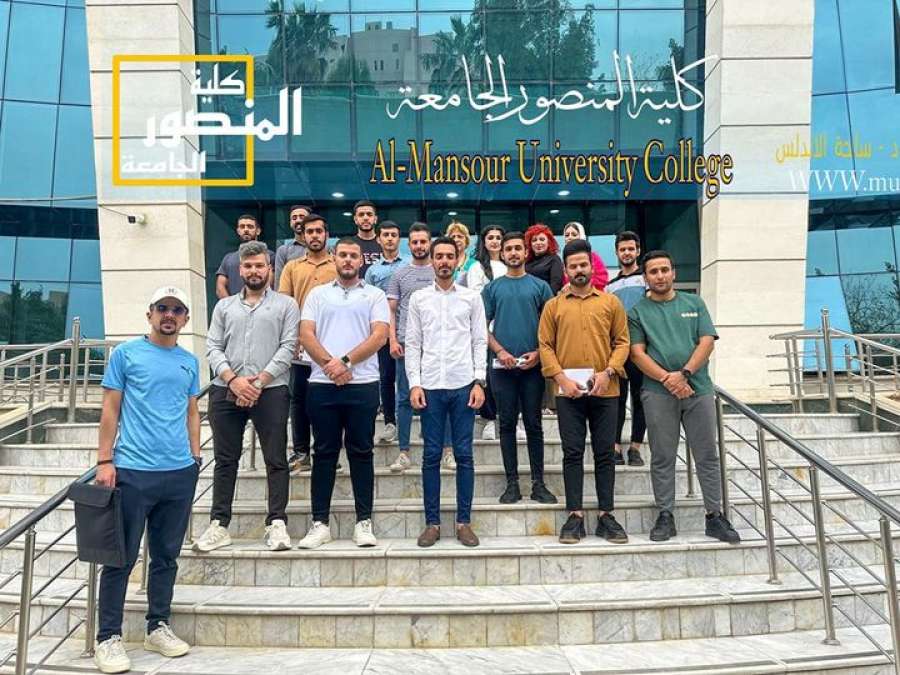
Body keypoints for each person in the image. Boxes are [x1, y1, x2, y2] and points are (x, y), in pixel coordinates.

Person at [92, 286, 201, 674]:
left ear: (185, 319)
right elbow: (110, 408)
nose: (169, 315)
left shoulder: (189, 362)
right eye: (162, 308)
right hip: (133, 470)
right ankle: (108, 637)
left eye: (177, 310)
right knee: (120, 558)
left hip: (179, 472)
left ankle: (157, 626)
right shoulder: (126, 354)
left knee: (166, 556)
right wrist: (105, 460)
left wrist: (195, 457)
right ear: (150, 314)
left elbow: (191, 411)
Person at [627, 250, 740, 544]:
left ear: (673, 273)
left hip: (698, 390)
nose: (660, 276)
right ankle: (665, 515)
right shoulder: (637, 312)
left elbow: (707, 342)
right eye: (653, 272)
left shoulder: (694, 303)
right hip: (657, 393)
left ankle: (714, 515)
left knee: (707, 455)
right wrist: (669, 379)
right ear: (645, 277)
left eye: (664, 270)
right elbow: (637, 353)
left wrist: (685, 373)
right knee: (662, 456)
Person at [195, 241, 299, 553]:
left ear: (269, 269)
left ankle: (276, 522)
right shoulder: (224, 307)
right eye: (248, 266)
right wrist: (234, 380)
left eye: (259, 266)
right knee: (225, 459)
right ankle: (219, 524)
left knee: (276, 459)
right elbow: (213, 346)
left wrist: (258, 382)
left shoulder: (286, 305)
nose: (254, 271)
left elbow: (289, 347)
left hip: (272, 390)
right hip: (226, 387)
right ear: (240, 270)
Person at [296, 238, 389, 549]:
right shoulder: (317, 294)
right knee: (323, 453)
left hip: (363, 384)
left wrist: (345, 362)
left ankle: (364, 522)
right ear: (334, 258)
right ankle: (319, 524)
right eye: (343, 255)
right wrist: (330, 365)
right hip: (322, 385)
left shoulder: (374, 295)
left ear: (361, 261)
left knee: (361, 452)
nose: (348, 260)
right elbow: (305, 333)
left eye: (353, 255)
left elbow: (380, 335)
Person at [538, 239, 630, 545]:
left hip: (606, 389)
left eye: (583, 265)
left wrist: (609, 371)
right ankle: (575, 515)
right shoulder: (553, 307)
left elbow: (623, 342)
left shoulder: (610, 303)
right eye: (573, 266)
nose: (579, 270)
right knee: (572, 452)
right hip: (569, 393)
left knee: (605, 453)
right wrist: (561, 379)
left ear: (592, 267)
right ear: (565, 270)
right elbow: (545, 346)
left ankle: (606, 515)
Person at [406, 236, 487, 548]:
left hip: (463, 384)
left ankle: (464, 522)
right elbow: (413, 343)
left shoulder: (471, 298)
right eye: (438, 256)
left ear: (457, 260)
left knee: (464, 455)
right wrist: (414, 383)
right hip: (430, 387)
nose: (443, 261)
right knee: (431, 455)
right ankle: (433, 523)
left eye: (449, 256)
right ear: (432, 260)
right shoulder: (419, 299)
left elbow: (479, 340)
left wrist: (479, 381)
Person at [483, 232, 557, 505]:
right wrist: (500, 351)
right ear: (502, 254)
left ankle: (539, 483)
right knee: (506, 424)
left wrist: (539, 353)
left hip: (533, 368)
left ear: (526, 253)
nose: (513, 253)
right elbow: (480, 327)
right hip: (501, 368)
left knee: (534, 424)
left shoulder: (540, 287)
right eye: (509, 249)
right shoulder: (492, 289)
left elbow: (553, 327)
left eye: (518, 248)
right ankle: (511, 483)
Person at [386, 224, 456, 472]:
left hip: (438, 346)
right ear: (409, 245)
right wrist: (393, 340)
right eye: (414, 242)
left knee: (443, 397)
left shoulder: (441, 271)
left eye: (423, 241)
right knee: (405, 398)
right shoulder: (399, 274)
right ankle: (404, 452)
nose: (419, 246)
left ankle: (448, 451)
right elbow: (391, 311)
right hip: (407, 345)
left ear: (430, 243)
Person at [278, 214, 338, 472]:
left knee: (328, 400)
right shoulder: (292, 267)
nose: (314, 235)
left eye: (318, 231)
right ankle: (301, 452)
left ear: (326, 235)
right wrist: (291, 339)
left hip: (332, 346)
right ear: (303, 236)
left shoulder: (337, 265)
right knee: (299, 399)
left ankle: (328, 452)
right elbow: (285, 305)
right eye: (309, 231)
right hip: (300, 344)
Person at [606, 230, 648, 467]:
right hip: (618, 351)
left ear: (638, 251)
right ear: (617, 253)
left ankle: (635, 448)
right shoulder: (610, 286)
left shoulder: (646, 279)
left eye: (631, 248)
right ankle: (615, 447)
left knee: (640, 400)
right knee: (617, 400)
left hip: (642, 350)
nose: (627, 253)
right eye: (622, 249)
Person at [364, 220, 407, 444]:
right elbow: (368, 302)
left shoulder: (409, 265)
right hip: (382, 332)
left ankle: (417, 419)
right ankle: (390, 422)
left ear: (399, 239)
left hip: (408, 329)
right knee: (386, 377)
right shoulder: (372, 271)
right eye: (386, 235)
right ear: (379, 239)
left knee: (412, 376)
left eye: (394, 235)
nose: (390, 238)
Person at [466, 225, 506, 441]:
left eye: (499, 237)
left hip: (507, 326)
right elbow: (475, 298)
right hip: (485, 327)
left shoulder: (510, 265)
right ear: (484, 241)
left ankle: (511, 418)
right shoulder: (477, 267)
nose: (495, 241)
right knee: (488, 376)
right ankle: (489, 420)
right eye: (491, 237)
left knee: (509, 376)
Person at [215, 214, 275, 299]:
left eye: (250, 227)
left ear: (258, 231)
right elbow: (220, 287)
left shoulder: (270, 255)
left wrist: (259, 303)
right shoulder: (228, 258)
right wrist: (231, 305)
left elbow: (270, 283)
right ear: (238, 231)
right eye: (242, 227)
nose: (246, 230)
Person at [561, 221, 609, 291]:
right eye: (567, 235)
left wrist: (574, 284)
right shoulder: (565, 260)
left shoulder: (593, 257)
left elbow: (602, 279)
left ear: (581, 236)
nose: (570, 237)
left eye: (574, 234)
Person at [274, 204, 311, 286]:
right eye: (294, 218)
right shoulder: (283, 251)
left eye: (302, 217)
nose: (298, 220)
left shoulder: (325, 249)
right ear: (290, 223)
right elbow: (278, 282)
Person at [524, 223, 563, 294]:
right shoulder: (527, 260)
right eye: (534, 240)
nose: (538, 243)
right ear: (530, 244)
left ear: (549, 242)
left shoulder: (554, 259)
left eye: (542, 239)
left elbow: (556, 285)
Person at [351, 200, 382, 277]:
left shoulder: (385, 244)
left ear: (375, 219)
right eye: (361, 215)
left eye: (369, 214)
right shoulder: (348, 245)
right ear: (355, 219)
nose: (365, 218)